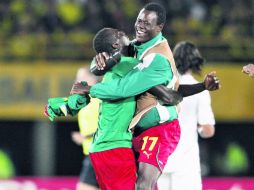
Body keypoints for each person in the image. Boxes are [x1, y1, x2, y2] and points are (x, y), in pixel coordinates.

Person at [71, 3, 220, 190]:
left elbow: (124, 89)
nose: (140, 26)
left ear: (160, 27)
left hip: (159, 129)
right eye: (139, 20)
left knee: (143, 182)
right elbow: (171, 93)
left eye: (147, 23)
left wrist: (91, 89)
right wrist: (98, 62)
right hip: (137, 129)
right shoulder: (136, 46)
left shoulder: (157, 58)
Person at [157, 41, 216, 190]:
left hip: (162, 160)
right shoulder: (200, 90)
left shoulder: (162, 87)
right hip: (186, 163)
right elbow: (208, 130)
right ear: (196, 61)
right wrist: (199, 129)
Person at [71, 67, 100, 190]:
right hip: (93, 152)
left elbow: (109, 127)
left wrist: (85, 136)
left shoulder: (99, 100)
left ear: (92, 79)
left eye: (81, 78)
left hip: (99, 152)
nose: (77, 81)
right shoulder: (87, 100)